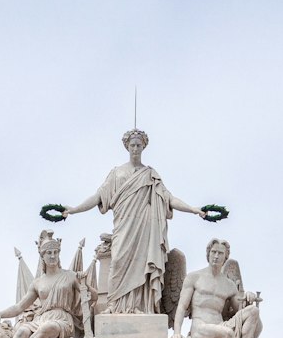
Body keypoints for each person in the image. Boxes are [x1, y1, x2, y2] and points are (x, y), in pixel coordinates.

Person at [60, 129, 206, 314]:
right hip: (123, 227)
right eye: (132, 145)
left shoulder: (150, 174)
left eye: (138, 145)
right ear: (126, 147)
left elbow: (169, 198)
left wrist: (194, 209)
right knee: (118, 262)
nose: (135, 149)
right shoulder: (116, 173)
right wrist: (73, 209)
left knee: (142, 265)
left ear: (143, 147)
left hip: (144, 229)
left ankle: (139, 307)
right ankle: (114, 305)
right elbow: (98, 197)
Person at [173, 239, 276, 338]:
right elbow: (182, 307)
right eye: (213, 252)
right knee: (227, 333)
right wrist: (177, 332)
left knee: (253, 311)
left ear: (225, 256)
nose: (216, 256)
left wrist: (248, 297)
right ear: (208, 254)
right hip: (200, 327)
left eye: (220, 253)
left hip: (220, 325)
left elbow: (239, 310)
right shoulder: (194, 277)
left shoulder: (229, 285)